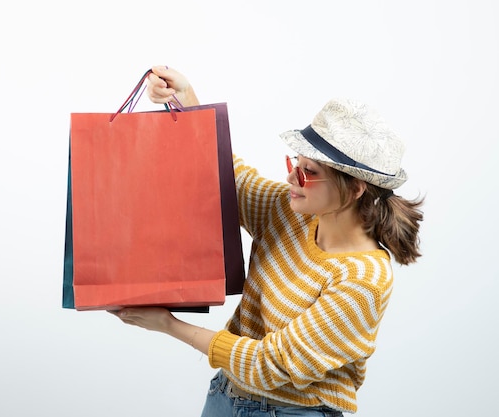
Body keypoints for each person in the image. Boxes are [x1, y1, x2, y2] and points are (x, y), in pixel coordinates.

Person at [112, 66, 424, 416]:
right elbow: (228, 175)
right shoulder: (291, 212)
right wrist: (186, 97)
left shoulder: (363, 281)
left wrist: (168, 325)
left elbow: (268, 364)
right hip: (224, 395)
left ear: (354, 189)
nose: (292, 175)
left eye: (309, 171)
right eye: (296, 162)